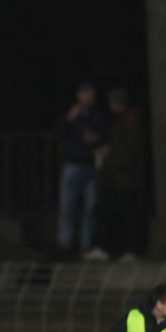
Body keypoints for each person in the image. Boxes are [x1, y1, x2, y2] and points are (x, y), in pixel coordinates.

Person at [91, 88, 147, 262]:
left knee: (130, 214)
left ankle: (134, 250)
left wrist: (107, 158)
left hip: (126, 177)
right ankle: (107, 248)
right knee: (111, 212)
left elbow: (130, 151)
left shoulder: (131, 121)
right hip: (117, 176)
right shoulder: (122, 120)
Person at [56, 82, 108, 257]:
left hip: (91, 167)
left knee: (90, 208)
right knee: (67, 207)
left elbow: (102, 137)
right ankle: (64, 244)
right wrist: (70, 119)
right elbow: (60, 134)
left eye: (90, 94)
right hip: (72, 165)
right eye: (84, 93)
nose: (87, 97)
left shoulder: (97, 116)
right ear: (78, 96)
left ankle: (85, 246)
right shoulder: (71, 114)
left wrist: (96, 140)